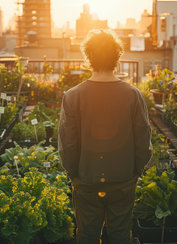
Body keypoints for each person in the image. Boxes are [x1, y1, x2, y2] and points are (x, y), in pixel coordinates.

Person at [58, 29, 152, 244]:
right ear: (117, 57)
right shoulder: (133, 95)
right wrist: (135, 171)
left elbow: (68, 144)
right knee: (120, 235)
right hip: (123, 180)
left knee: (87, 236)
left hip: (87, 180)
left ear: (88, 57)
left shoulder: (72, 97)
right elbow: (143, 141)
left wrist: (75, 174)